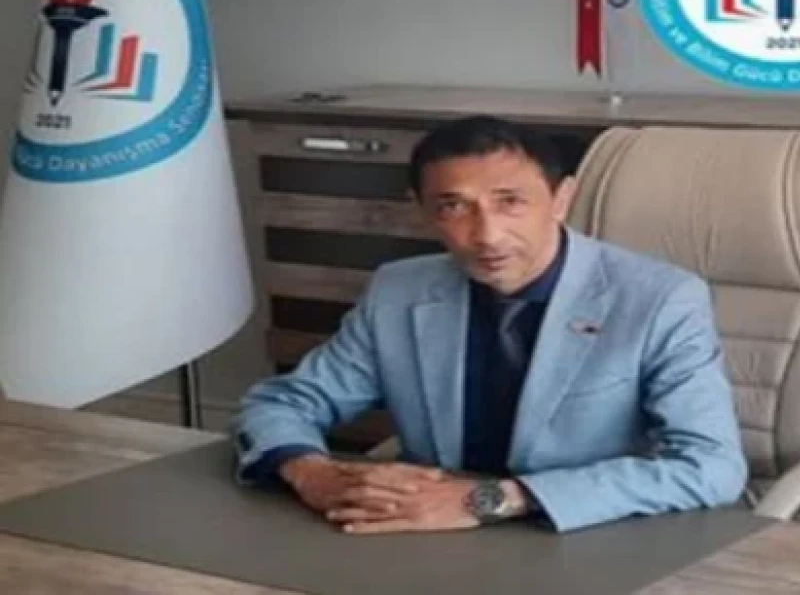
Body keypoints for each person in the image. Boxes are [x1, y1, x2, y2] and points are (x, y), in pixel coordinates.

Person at [230, 115, 747, 534]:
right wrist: (311, 472)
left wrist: (489, 499)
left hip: (584, 532)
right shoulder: (398, 290)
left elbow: (710, 466)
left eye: (510, 202)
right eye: (454, 207)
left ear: (561, 199)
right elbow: (282, 403)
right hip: (428, 537)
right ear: (423, 211)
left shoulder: (659, 299)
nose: (487, 235)